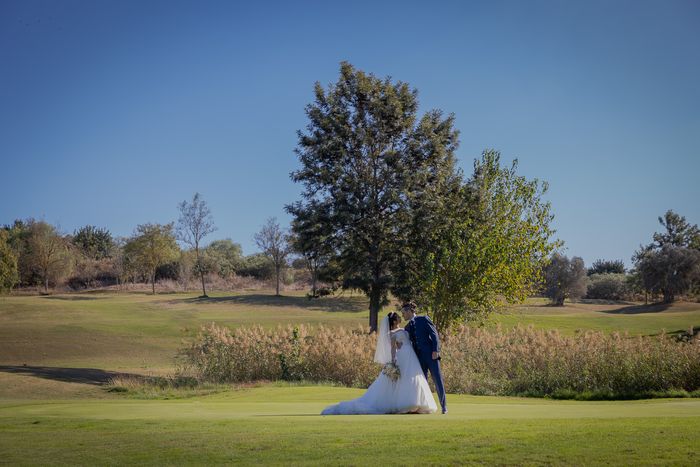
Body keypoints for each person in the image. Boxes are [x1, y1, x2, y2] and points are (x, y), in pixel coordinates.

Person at [321, 312, 437, 415]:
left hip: (410, 356)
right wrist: (393, 361)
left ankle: (417, 403)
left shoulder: (404, 329)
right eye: (398, 318)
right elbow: (393, 348)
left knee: (413, 378)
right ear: (395, 321)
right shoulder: (392, 333)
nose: (400, 318)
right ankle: (408, 403)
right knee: (405, 379)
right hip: (403, 356)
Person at [401, 301, 447, 414]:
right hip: (418, 358)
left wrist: (436, 350)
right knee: (422, 382)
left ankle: (444, 407)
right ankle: (424, 407)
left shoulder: (423, 319)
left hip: (431, 355)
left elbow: (434, 334)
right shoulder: (407, 327)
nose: (402, 315)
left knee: (437, 380)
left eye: (403, 312)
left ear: (409, 311)